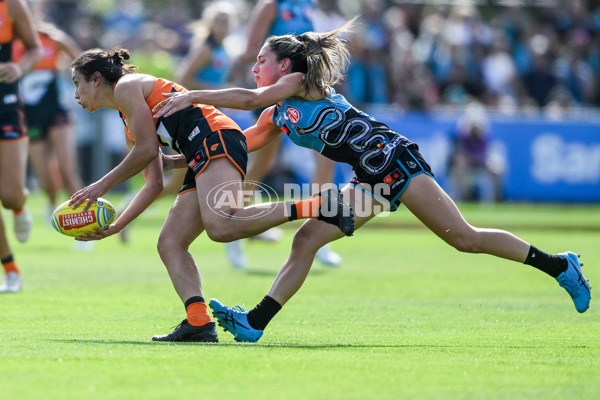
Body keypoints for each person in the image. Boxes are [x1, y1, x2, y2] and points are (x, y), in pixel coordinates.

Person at [153, 18, 591, 342]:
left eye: (260, 60)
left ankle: (558, 265)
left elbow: (249, 99)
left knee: (465, 239)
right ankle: (255, 323)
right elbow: (238, 144)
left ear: (284, 63)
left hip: (395, 161)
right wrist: (178, 160)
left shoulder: (298, 82)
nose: (255, 67)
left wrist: (193, 94)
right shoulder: (277, 112)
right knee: (306, 239)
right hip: (368, 178)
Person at [68, 47, 353, 342]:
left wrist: (99, 186)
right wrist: (116, 226)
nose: (76, 94)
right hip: (202, 150)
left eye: (77, 83)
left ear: (97, 79)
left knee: (221, 226)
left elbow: (144, 152)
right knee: (170, 243)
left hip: (216, 139)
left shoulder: (127, 87)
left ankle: (321, 205)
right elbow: (153, 183)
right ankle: (198, 322)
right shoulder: (127, 120)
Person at [226, 0, 343, 269]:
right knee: (261, 162)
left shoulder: (307, 5)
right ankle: (236, 228)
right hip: (276, 91)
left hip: (304, 91)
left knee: (326, 158)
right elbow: (250, 53)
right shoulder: (270, 6)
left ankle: (319, 233)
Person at [13, 21, 83, 212]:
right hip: (30, 117)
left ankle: (84, 217)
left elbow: (83, 62)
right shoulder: (10, 44)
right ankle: (52, 201)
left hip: (56, 112)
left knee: (67, 171)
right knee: (47, 179)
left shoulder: (52, 40)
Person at [0, 0, 43, 293]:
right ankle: (11, 269)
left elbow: (35, 48)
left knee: (11, 197)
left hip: (6, 104)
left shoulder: (11, 5)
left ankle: (19, 208)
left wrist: (19, 66)